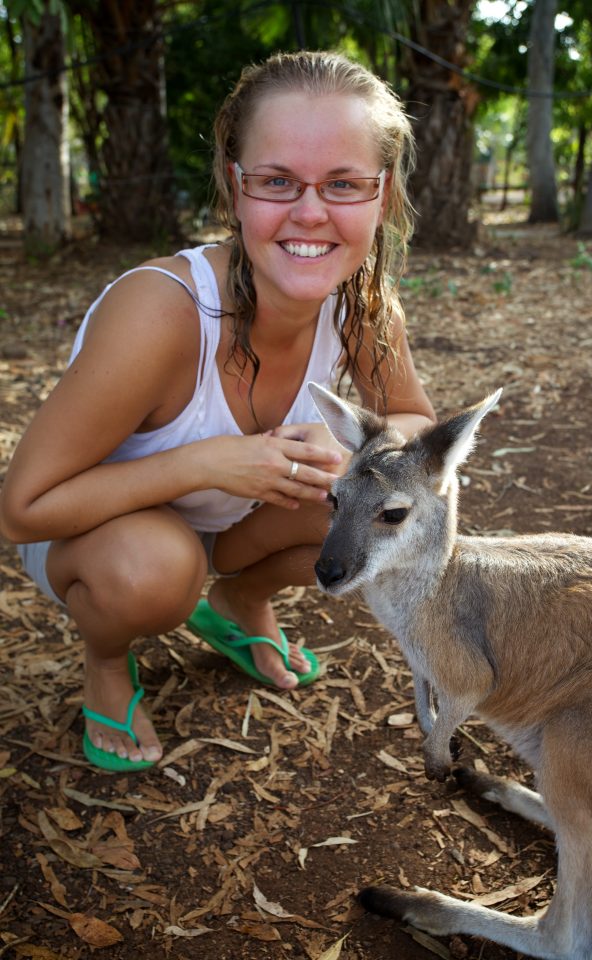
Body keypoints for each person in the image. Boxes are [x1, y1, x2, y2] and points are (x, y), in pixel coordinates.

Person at [0, 50, 436, 772]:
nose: (309, 213)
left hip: (227, 527)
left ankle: (239, 599)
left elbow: (414, 419)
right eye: (276, 181)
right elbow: (22, 508)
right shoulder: (164, 311)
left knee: (387, 502)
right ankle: (106, 659)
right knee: (155, 567)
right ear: (236, 189)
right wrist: (206, 464)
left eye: (344, 184)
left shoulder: (360, 303)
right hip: (93, 534)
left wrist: (365, 454)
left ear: (382, 195)